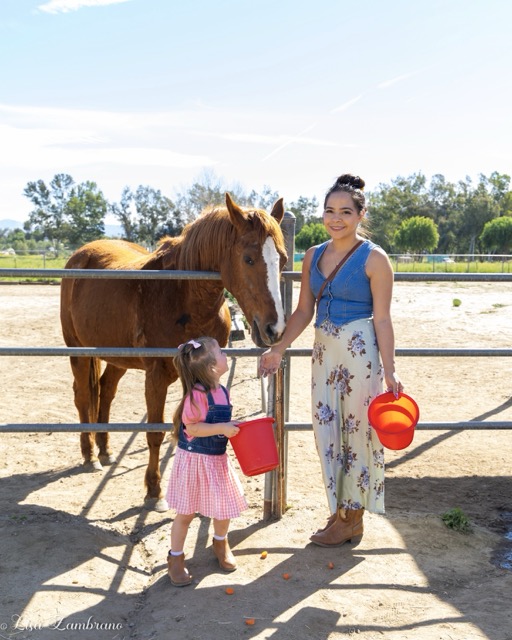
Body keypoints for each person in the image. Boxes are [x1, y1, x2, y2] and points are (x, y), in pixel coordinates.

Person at [259, 173, 403, 547]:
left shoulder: (375, 259)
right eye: (329, 211)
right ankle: (341, 509)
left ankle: (351, 518)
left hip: (359, 354)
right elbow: (305, 310)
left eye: (344, 211)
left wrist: (390, 371)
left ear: (360, 215)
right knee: (328, 431)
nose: (335, 218)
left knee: (357, 432)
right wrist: (279, 348)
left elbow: (383, 319)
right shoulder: (314, 255)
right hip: (323, 353)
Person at [166, 336, 248, 586]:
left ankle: (220, 542)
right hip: (193, 461)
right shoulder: (196, 396)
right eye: (221, 353)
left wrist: (232, 429)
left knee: (223, 507)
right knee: (186, 513)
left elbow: (218, 425)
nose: (226, 355)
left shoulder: (223, 391)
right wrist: (222, 427)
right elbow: (193, 427)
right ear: (213, 367)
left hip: (215, 460)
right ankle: (176, 557)